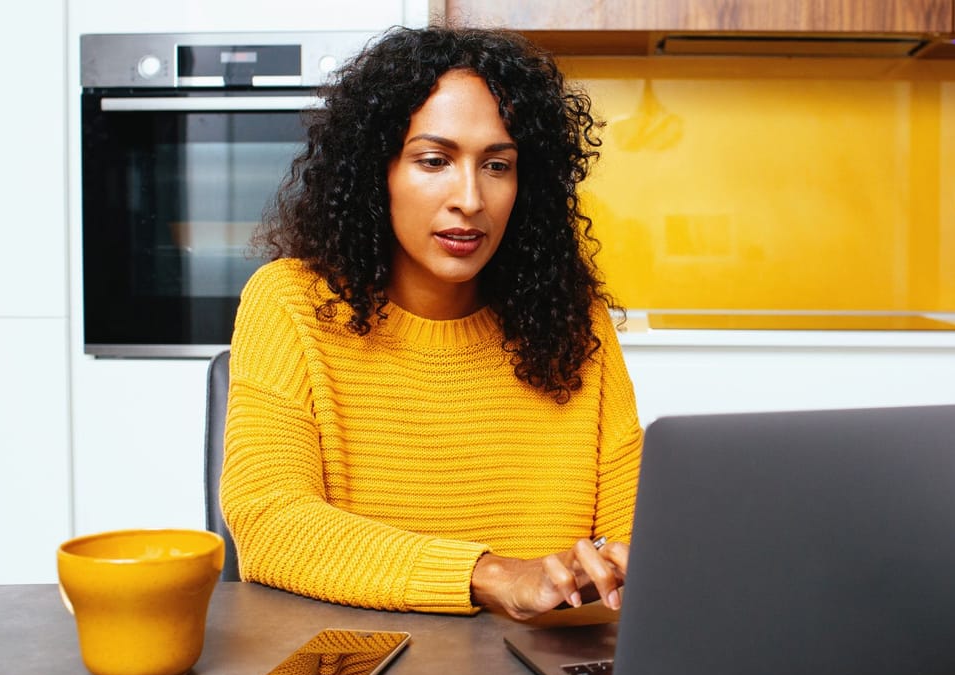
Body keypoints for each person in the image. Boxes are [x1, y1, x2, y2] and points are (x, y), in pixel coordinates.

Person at [220, 25, 642, 620]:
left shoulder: (577, 323)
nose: (469, 197)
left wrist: (612, 569)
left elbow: (633, 540)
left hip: (545, 671)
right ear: (378, 171)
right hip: (357, 667)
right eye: (434, 160)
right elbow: (269, 523)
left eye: (497, 165)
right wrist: (491, 575)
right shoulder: (292, 303)